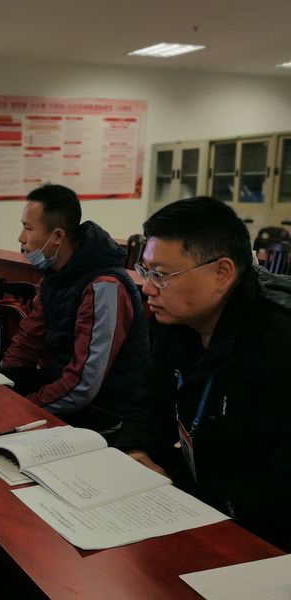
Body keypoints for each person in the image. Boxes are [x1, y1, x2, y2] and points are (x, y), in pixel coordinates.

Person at [115, 197, 291, 551]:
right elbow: (148, 402)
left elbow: (279, 489)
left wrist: (186, 496)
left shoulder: (278, 343)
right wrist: (136, 452)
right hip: (193, 506)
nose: (147, 288)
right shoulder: (175, 321)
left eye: (161, 275)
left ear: (221, 273)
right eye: (145, 271)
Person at [0, 184, 149, 433]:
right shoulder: (53, 274)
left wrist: (26, 409)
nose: (21, 238)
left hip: (104, 409)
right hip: (65, 386)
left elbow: (84, 383)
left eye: (28, 228)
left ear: (58, 236)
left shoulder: (104, 286)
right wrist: (2, 384)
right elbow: (28, 340)